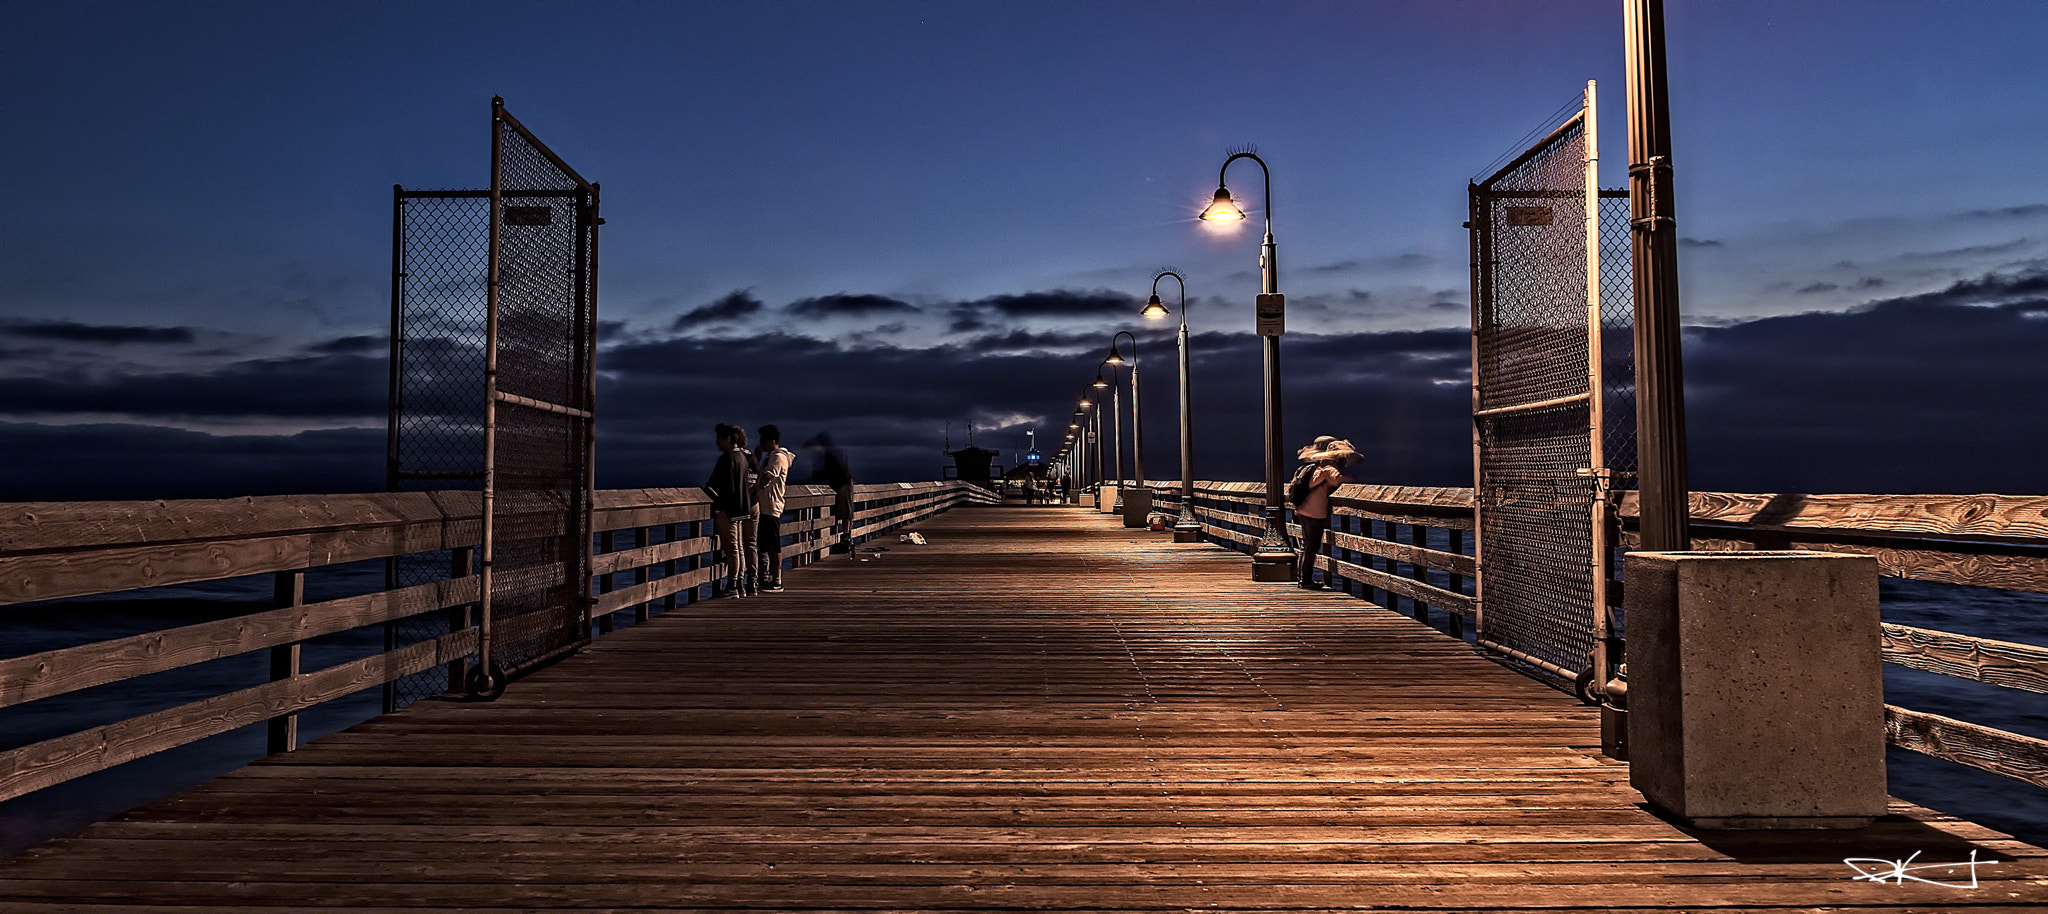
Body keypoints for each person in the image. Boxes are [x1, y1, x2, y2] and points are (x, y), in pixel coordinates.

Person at [1291, 436, 1361, 590]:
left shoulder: (1315, 468)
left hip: (1303, 510)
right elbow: (1337, 480)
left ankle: (1302, 578)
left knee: (1306, 546)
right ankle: (1305, 580)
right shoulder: (1329, 469)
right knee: (1311, 547)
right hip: (1314, 512)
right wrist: (1351, 481)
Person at [704, 423, 755, 598]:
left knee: (732, 549)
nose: (717, 443)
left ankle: (732, 587)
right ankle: (739, 584)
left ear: (727, 439)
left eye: (719, 439)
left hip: (728, 509)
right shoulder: (742, 457)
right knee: (739, 548)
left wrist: (718, 506)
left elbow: (712, 486)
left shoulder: (726, 459)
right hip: (741, 508)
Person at [754, 424, 794, 593]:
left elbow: (767, 477)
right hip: (764, 507)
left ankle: (777, 580)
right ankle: (764, 578)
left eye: (763, 440)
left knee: (773, 545)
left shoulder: (778, 457)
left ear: (771, 441)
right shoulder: (772, 456)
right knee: (763, 544)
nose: (761, 443)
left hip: (771, 507)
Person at [807, 432, 855, 558]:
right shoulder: (837, 451)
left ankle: (845, 539)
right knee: (847, 512)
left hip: (843, 484)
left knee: (845, 511)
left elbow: (833, 471)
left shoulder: (830, 454)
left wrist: (815, 476)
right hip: (845, 483)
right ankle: (847, 538)